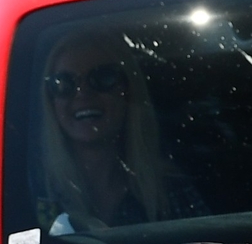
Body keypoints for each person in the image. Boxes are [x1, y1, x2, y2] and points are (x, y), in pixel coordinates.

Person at [33, 30, 207, 233]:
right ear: (50, 101)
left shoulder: (170, 191)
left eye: (102, 77)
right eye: (64, 83)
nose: (83, 94)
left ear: (128, 91)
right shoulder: (31, 193)